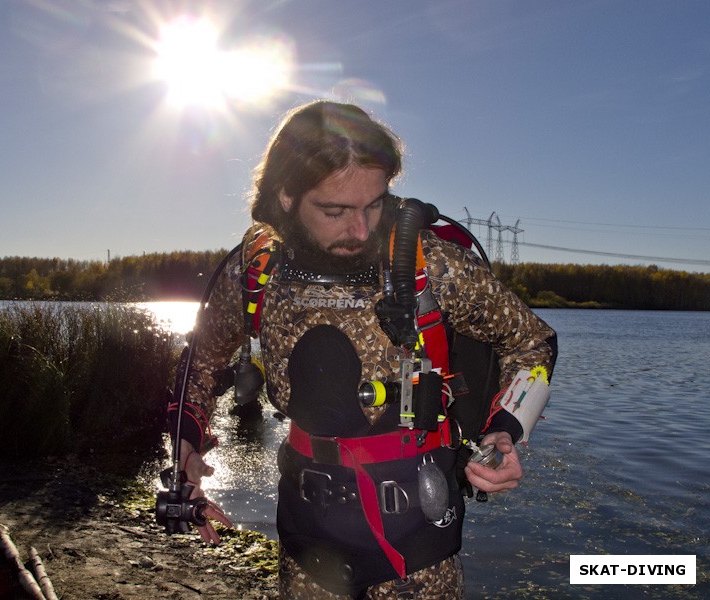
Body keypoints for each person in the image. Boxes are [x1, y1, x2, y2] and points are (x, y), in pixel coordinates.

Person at [171, 100, 558, 599]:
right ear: (286, 195)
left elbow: (533, 343)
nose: (360, 229)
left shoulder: (429, 266)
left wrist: (506, 430)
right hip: (306, 538)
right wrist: (185, 440)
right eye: (335, 211)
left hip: (418, 549)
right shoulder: (257, 266)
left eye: (373, 204)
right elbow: (201, 360)